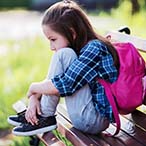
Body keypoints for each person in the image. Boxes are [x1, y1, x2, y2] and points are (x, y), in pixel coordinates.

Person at [8, 0, 119, 136]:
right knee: (65, 54)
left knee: (63, 54)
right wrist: (34, 97)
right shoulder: (81, 47)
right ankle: (43, 115)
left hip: (94, 120)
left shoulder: (94, 48)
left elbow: (66, 85)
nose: (51, 47)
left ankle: (45, 116)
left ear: (72, 33)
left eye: (53, 39)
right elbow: (58, 80)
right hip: (87, 114)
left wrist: (33, 87)